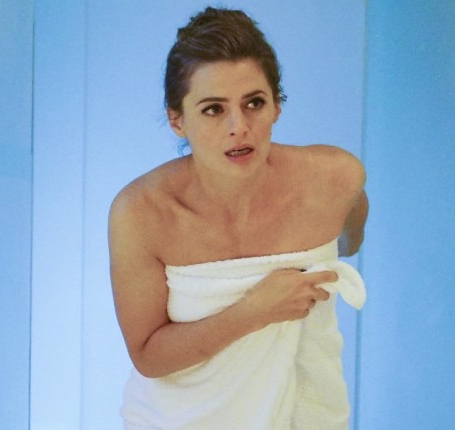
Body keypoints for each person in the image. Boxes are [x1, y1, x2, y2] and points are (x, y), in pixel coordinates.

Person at [108, 6, 369, 430]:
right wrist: (255, 310)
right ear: (177, 120)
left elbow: (350, 240)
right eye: (213, 109)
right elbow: (148, 356)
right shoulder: (143, 212)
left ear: (276, 106)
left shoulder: (335, 178)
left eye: (254, 103)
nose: (239, 126)